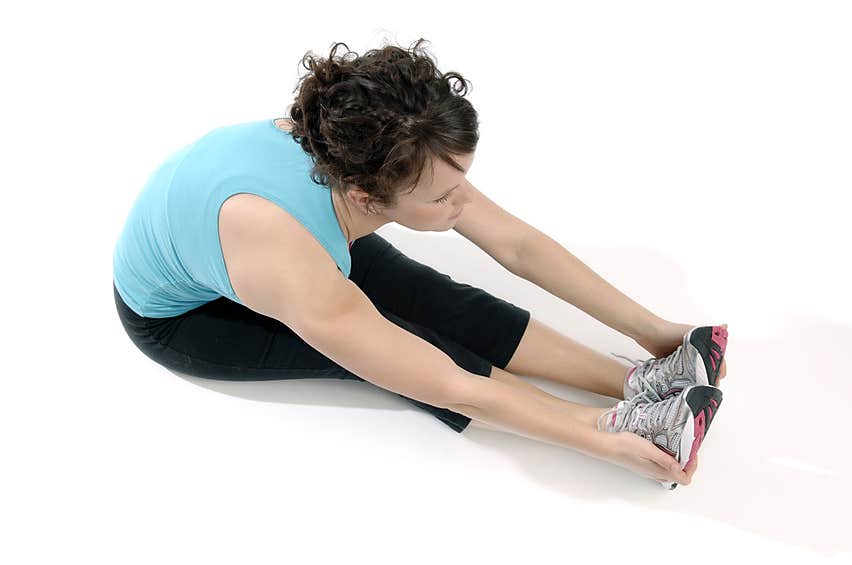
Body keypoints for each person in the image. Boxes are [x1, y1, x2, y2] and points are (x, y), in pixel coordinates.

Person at [112, 38, 728, 489]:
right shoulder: (285, 247)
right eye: (442, 196)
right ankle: (628, 419)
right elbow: (448, 384)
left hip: (258, 241)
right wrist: (603, 441)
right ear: (367, 199)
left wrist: (655, 334)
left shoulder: (372, 149)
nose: (465, 203)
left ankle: (631, 382)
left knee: (433, 295)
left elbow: (516, 245)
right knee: (405, 349)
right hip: (186, 316)